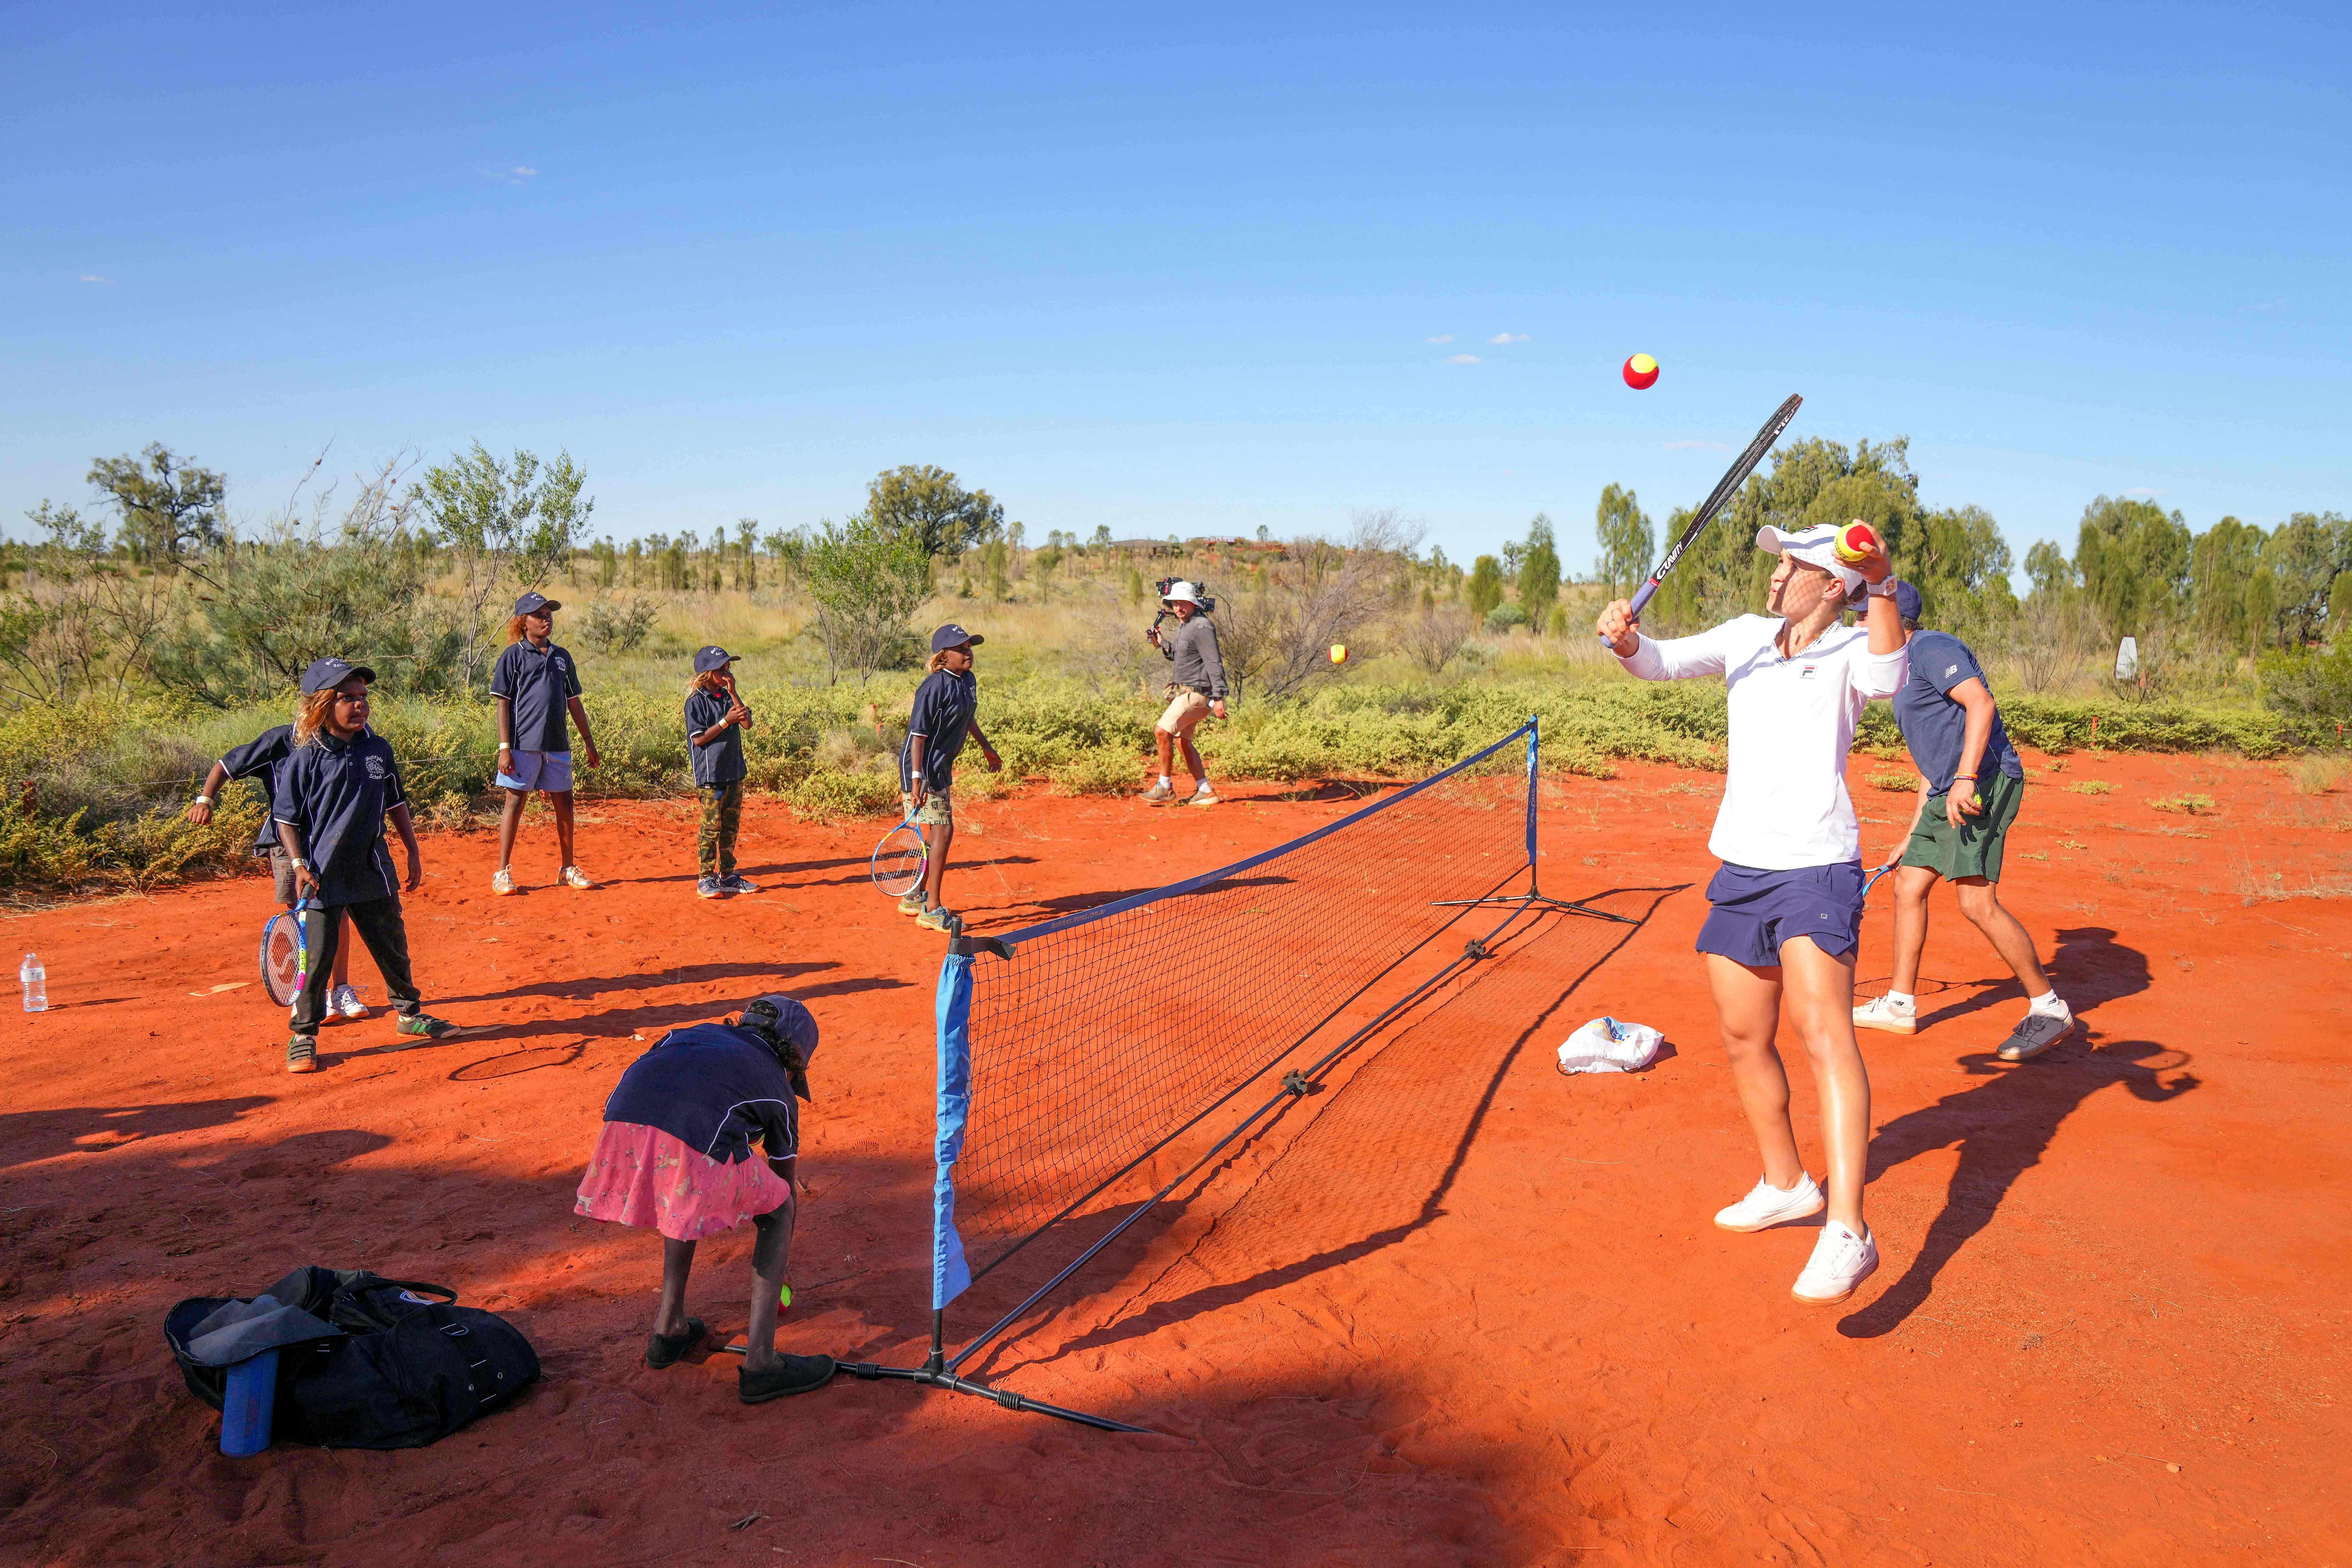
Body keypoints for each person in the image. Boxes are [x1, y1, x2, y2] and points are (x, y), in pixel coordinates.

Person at [1596, 522, 1906, 1306]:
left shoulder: (1850, 649)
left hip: (1815, 866)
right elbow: (1659, 664)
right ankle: (1786, 1182)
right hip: (1741, 863)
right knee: (1742, 1034)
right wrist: (1623, 639)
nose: (1774, 578)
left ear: (1831, 585)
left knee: (1821, 1030)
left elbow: (1886, 677)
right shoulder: (1743, 637)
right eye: (1775, 564)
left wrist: (1880, 579)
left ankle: (1848, 1229)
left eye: (1794, 567)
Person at [574, 995, 837, 1405]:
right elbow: (783, 1186)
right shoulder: (777, 1088)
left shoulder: (693, 1033)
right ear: (795, 1059)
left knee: (685, 1191)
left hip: (621, 1128)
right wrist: (780, 1267)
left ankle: (669, 1327)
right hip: (686, 1139)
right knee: (780, 1208)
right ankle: (762, 1362)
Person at [1853, 581, 2074, 1060]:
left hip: (1985, 782)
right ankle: (1899, 1004)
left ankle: (2048, 1006)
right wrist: (1910, 833)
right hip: (1945, 789)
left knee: (1975, 902)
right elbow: (1928, 760)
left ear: (1892, 618)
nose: (1856, 626)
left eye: (1862, 617)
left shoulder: (1932, 649)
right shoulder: (1897, 673)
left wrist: (1966, 777)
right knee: (1908, 884)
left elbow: (1981, 704)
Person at [272, 659, 456, 1074]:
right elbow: (286, 819)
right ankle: (304, 1034)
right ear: (323, 704)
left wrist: (412, 850)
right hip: (322, 876)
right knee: (317, 959)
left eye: (363, 698)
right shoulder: (306, 758)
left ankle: (410, 1015)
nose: (359, 706)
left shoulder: (378, 749)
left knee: (392, 944)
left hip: (373, 869)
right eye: (347, 698)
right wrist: (299, 865)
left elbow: (396, 802)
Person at [190, 723, 370, 1020]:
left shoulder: (348, 740)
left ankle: (340, 991)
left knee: (339, 913)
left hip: (330, 842)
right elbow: (226, 765)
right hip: (287, 845)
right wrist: (205, 800)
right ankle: (312, 995)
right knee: (307, 918)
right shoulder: (278, 741)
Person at [489, 591, 603, 895]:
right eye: (539, 615)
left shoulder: (562, 657)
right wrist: (504, 749)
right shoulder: (513, 657)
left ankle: (568, 868)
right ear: (523, 622)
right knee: (515, 802)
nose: (546, 619)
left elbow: (574, 702)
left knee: (565, 804)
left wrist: (589, 742)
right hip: (522, 745)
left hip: (557, 745)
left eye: (549, 614)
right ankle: (502, 873)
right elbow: (503, 704)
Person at [897, 623, 1002, 935]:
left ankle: (915, 895)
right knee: (943, 831)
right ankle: (931, 910)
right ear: (944, 657)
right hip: (922, 768)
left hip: (941, 767)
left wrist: (987, 749)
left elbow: (968, 718)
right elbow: (918, 737)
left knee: (938, 833)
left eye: (970, 647)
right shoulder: (933, 687)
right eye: (962, 649)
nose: (968, 653)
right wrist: (917, 781)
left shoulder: (967, 681)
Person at [1139, 580, 1227, 806]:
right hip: (1190, 694)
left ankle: (1165, 788)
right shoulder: (1186, 625)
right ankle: (1205, 791)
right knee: (1181, 741)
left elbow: (1214, 663)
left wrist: (1219, 698)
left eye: (1183, 603)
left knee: (1161, 732)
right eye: (1175, 603)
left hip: (1196, 695)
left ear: (1193, 603)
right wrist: (1161, 643)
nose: (1178, 608)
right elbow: (1182, 658)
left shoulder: (1202, 627)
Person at [685, 645, 758, 899]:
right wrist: (726, 721)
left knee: (730, 828)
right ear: (708, 673)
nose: (727, 671)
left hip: (734, 772)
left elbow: (747, 724)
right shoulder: (696, 702)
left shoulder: (729, 697)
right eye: (721, 668)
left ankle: (727, 876)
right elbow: (699, 739)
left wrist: (735, 693)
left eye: (729, 666)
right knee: (711, 829)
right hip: (711, 777)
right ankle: (705, 879)